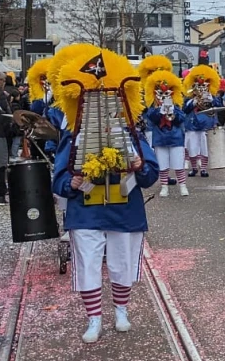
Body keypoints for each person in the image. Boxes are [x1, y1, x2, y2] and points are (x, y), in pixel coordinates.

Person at [51, 50, 160, 344]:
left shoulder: (131, 134)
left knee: (122, 261)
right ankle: (94, 318)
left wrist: (140, 166)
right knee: (87, 262)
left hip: (124, 209)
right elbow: (58, 178)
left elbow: (151, 176)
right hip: (85, 210)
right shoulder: (73, 138)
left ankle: (121, 311)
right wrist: (70, 182)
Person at [142, 72, 189, 198]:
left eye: (166, 93)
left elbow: (182, 117)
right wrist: (160, 111)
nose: (163, 96)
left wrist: (172, 111)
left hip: (176, 137)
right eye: (161, 94)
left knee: (179, 163)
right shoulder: (153, 106)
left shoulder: (177, 104)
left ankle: (183, 186)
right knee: (162, 165)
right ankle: (164, 187)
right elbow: (151, 118)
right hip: (160, 138)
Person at [182, 64, 225, 177]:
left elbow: (220, 107)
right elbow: (184, 109)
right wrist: (193, 102)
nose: (201, 88)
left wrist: (212, 100)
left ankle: (204, 169)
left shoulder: (213, 95)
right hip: (192, 123)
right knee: (192, 147)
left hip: (207, 123)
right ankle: (194, 168)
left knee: (205, 147)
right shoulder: (189, 96)